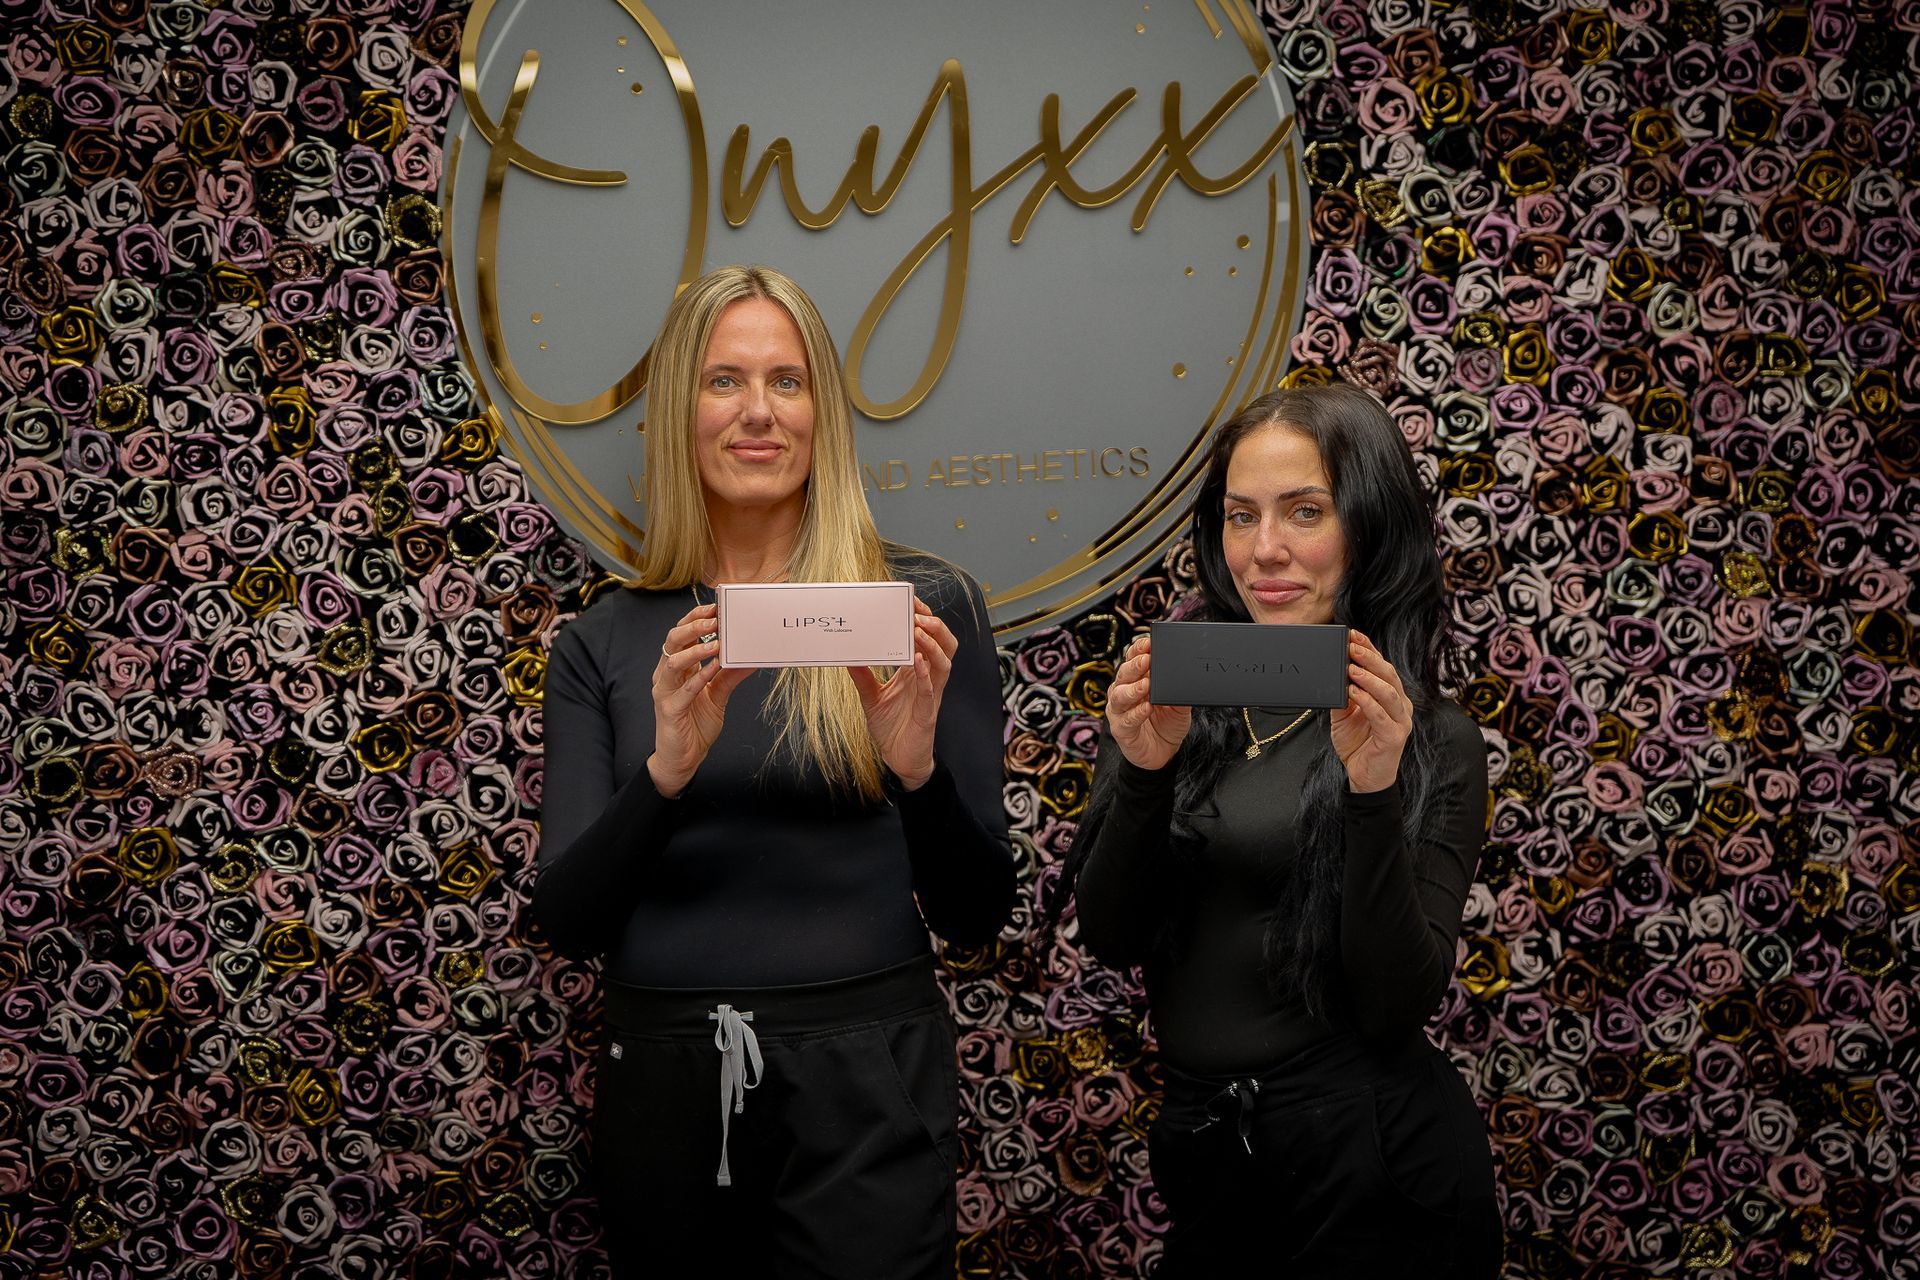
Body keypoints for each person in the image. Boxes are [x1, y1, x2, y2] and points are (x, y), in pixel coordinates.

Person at [535, 265, 1015, 1278]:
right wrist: (666, 770)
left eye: (787, 381)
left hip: (868, 1076)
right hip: (663, 1079)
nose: (758, 411)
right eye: (724, 381)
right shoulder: (605, 641)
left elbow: (977, 912)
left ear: (822, 412)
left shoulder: (923, 609)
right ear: (680, 410)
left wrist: (916, 770)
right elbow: (569, 922)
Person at [1062, 384, 1498, 1277]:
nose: (1266, 551)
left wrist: (1371, 791)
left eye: (1306, 513)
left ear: (1367, 528)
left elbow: (1393, 1002)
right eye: (1241, 516)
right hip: (1211, 1150)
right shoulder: (1174, 696)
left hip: (1373, 1163)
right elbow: (1110, 938)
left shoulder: (1428, 736)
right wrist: (1144, 772)